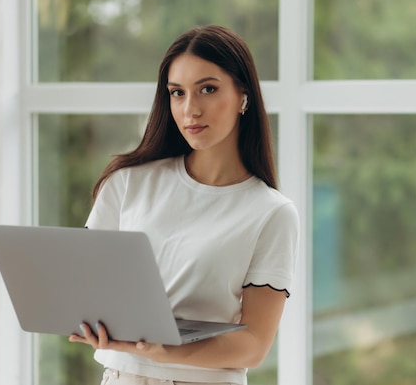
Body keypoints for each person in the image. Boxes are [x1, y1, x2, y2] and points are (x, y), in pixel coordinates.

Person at [68, 24, 300, 385]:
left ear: (244, 96)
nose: (190, 109)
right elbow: (85, 289)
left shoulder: (272, 213)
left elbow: (254, 344)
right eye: (177, 93)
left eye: (208, 89)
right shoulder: (128, 182)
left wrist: (165, 351)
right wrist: (90, 320)